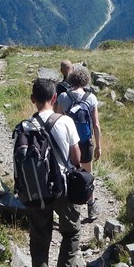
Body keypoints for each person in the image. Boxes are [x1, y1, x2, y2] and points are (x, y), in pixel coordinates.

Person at [24, 77, 82, 267]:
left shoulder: (26, 126)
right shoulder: (65, 121)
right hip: (63, 190)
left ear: (33, 100)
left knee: (39, 242)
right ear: (55, 98)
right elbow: (76, 158)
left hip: (36, 191)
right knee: (72, 231)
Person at [57, 64, 102, 221]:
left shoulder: (63, 98)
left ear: (71, 80)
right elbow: (96, 124)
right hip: (85, 142)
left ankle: (72, 208)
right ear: (86, 80)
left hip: (68, 144)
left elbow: (58, 121)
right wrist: (98, 146)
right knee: (88, 174)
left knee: (69, 174)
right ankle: (91, 207)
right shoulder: (91, 98)